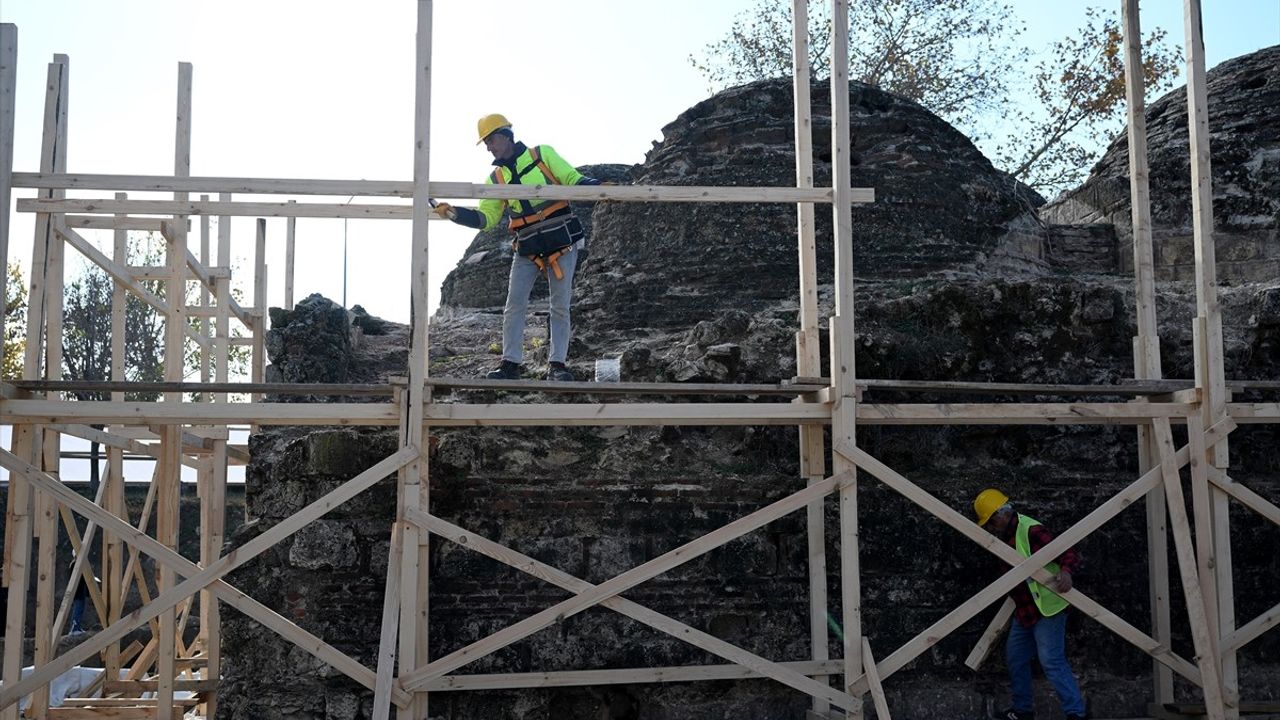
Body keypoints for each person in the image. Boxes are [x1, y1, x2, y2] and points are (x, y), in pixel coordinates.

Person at [433, 113, 601, 381]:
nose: (488, 147)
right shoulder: (496, 180)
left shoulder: (541, 155)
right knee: (514, 305)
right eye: (486, 142)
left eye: (490, 140)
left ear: (505, 135)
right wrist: (455, 214)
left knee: (560, 305)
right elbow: (486, 219)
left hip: (562, 240)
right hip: (528, 247)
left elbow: (571, 178)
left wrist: (597, 187)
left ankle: (558, 366)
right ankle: (510, 363)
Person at [974, 488, 1088, 720]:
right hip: (1025, 609)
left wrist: (1066, 572)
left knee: (1051, 661)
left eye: (991, 522)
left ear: (1001, 515)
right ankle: (1023, 711)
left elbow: (1066, 552)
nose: (990, 528)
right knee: (1016, 657)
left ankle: (1076, 714)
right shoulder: (1004, 536)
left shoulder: (1031, 530)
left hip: (1048, 607)